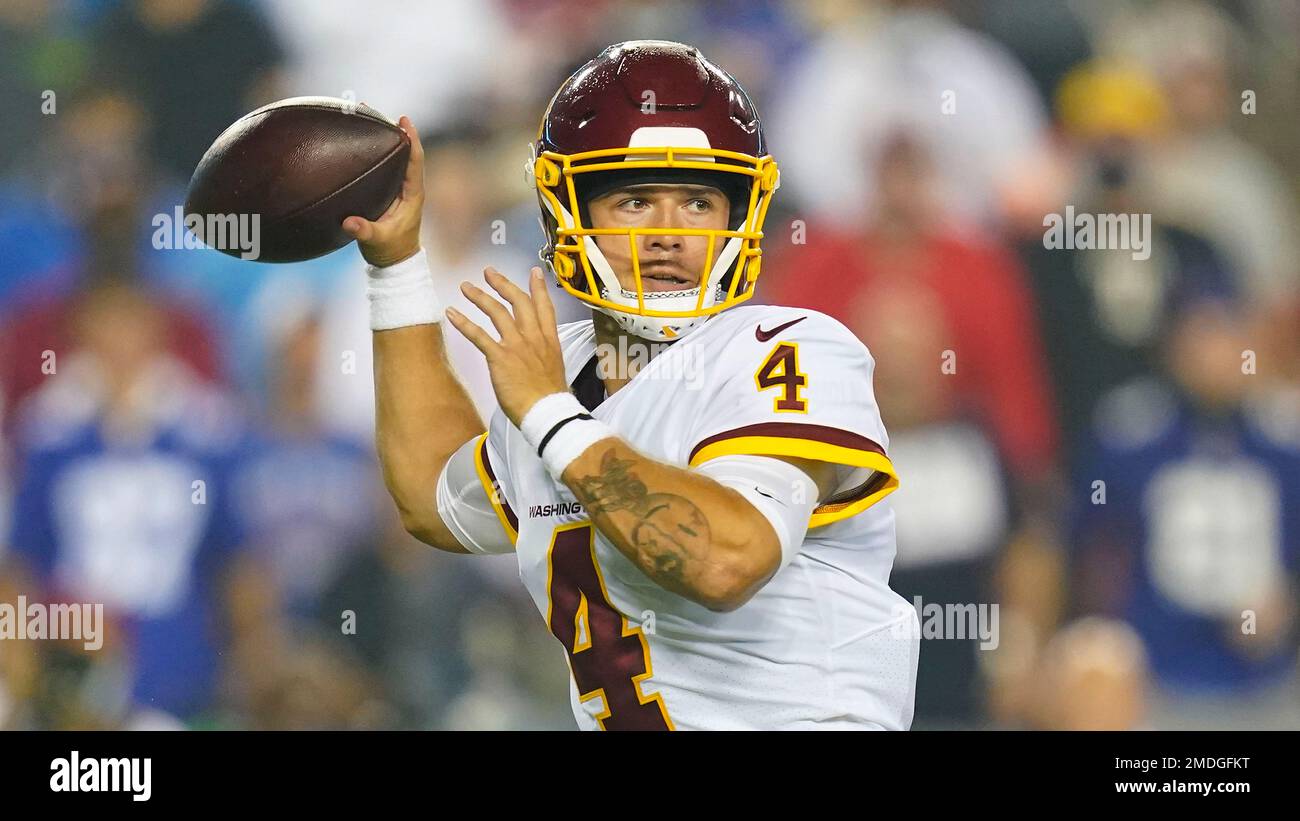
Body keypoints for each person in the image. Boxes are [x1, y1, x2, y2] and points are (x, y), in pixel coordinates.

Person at [341, 40, 919, 731]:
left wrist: (551, 417)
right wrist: (396, 264)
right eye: (637, 200)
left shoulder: (786, 348)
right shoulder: (564, 374)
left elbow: (725, 560)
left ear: (739, 218)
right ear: (566, 213)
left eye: (700, 203)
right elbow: (434, 499)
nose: (670, 234)